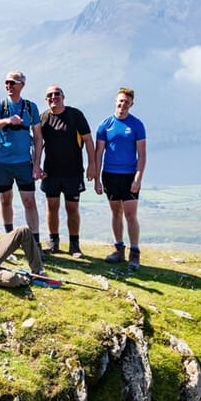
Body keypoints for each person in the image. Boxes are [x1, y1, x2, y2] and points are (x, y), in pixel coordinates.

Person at [0, 72, 44, 251]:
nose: (9, 86)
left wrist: (36, 165)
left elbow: (37, 138)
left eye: (12, 83)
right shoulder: (0, 105)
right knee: (5, 200)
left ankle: (35, 242)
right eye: (6, 83)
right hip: (1, 162)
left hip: (23, 163)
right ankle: (9, 239)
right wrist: (7, 120)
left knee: (29, 201)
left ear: (22, 85)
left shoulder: (30, 107)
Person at [39, 85, 96, 258]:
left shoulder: (75, 115)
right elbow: (38, 144)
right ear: (46, 99)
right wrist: (36, 166)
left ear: (63, 96)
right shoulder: (43, 118)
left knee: (72, 208)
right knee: (52, 207)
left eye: (57, 94)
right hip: (51, 171)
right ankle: (53, 242)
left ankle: (74, 245)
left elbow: (87, 140)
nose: (54, 97)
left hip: (73, 172)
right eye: (50, 95)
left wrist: (92, 165)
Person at [95, 87, 147, 270]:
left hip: (129, 176)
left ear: (131, 104)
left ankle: (135, 253)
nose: (122, 104)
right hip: (110, 175)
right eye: (120, 100)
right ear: (115, 101)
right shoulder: (105, 125)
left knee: (131, 215)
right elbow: (98, 153)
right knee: (116, 213)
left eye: (126, 101)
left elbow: (142, 155)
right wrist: (96, 179)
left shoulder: (137, 125)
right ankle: (118, 250)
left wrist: (138, 178)